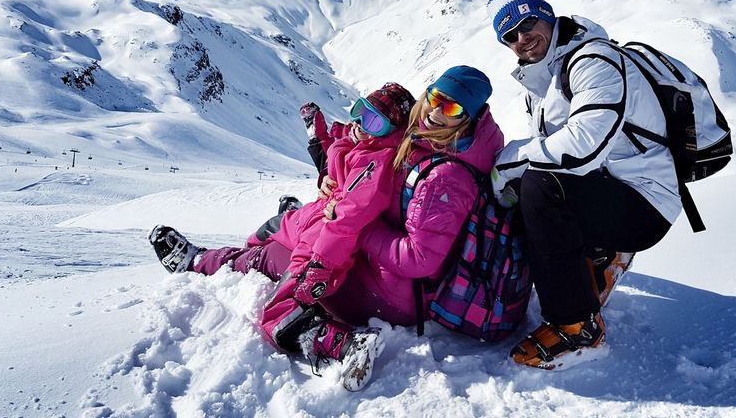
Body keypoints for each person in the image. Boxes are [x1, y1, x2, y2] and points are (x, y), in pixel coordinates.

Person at [149, 68, 504, 390]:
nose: (437, 112)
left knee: (271, 257)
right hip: (387, 272)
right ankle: (221, 255)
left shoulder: (446, 177)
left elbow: (419, 257)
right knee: (293, 231)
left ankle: (198, 262)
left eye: (453, 109)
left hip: (397, 292)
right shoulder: (427, 138)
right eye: (436, 98)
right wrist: (331, 169)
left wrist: (357, 229)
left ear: (468, 119)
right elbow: (365, 151)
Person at [486, 0, 679, 370]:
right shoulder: (540, 82)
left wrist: (509, 159)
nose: (523, 38)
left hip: (646, 200)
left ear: (548, 15)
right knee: (530, 187)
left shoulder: (593, 60)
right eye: (511, 34)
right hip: (613, 192)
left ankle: (576, 327)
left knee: (540, 185)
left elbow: (583, 147)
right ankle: (597, 258)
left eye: (528, 23)